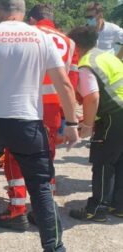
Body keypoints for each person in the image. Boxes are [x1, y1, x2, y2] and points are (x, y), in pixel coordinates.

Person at [0, 0, 79, 251]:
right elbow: (64, 83)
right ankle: (53, 246)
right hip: (28, 123)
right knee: (41, 185)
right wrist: (72, 121)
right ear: (22, 12)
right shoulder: (40, 38)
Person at [0, 3, 79, 231]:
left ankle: (17, 209)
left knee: (15, 155)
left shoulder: (27, 34)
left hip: (26, 105)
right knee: (45, 159)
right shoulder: (70, 43)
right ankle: (43, 212)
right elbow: (71, 84)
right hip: (53, 110)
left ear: (31, 19)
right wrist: (68, 120)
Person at [67, 26, 123, 222]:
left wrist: (88, 125)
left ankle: (97, 209)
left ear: (76, 46)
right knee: (120, 161)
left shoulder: (86, 64)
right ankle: (119, 205)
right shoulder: (105, 56)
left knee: (103, 161)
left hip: (113, 115)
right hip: (119, 112)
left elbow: (92, 98)